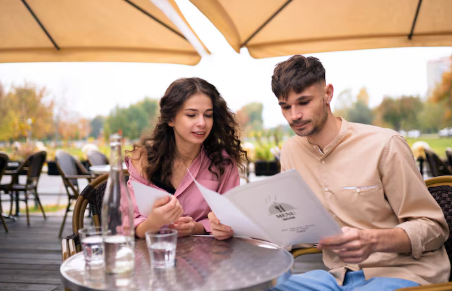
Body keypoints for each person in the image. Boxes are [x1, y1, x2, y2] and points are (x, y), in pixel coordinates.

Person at [209, 55, 450, 290]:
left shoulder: (385, 145)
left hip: (401, 273)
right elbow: (294, 229)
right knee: (248, 287)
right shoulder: (291, 151)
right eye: (285, 107)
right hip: (336, 278)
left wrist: (374, 240)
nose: (294, 115)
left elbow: (433, 227)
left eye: (303, 102)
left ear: (328, 94)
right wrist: (236, 228)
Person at [127, 77, 247, 238]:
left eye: (208, 115)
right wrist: (154, 222)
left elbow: (231, 218)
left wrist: (197, 227)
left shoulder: (223, 162)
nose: (202, 123)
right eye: (191, 115)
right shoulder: (143, 159)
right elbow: (130, 225)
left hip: (208, 257)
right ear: (170, 119)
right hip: (153, 255)